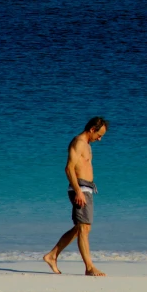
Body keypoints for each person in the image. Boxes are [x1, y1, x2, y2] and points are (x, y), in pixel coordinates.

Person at [44, 117, 109, 276]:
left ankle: (52, 255)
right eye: (99, 135)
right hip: (79, 188)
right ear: (92, 129)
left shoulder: (86, 144)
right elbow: (69, 168)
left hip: (86, 188)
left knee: (82, 228)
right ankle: (89, 268)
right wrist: (78, 191)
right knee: (83, 228)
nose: (99, 139)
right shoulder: (78, 143)